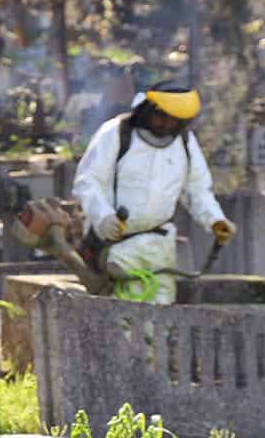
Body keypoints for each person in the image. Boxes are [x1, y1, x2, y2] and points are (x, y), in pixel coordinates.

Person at [72, 81, 234, 306]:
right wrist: (104, 218)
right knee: (119, 313)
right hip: (115, 247)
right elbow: (88, 183)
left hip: (159, 248)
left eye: (174, 120)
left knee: (161, 318)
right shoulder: (116, 133)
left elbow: (197, 190)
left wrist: (215, 220)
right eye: (161, 117)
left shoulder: (185, 142)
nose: (166, 124)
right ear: (147, 110)